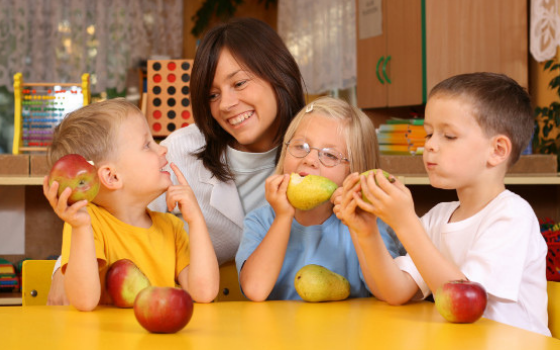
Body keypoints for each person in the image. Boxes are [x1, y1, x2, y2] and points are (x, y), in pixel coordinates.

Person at [48, 17, 305, 305]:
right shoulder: (181, 152)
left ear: (278, 72)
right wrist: (63, 272)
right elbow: (120, 210)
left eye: (240, 83)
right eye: (212, 94)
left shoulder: (324, 143)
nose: (226, 104)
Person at [334, 72, 550, 336]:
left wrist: (405, 223)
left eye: (448, 136)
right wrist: (364, 231)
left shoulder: (511, 215)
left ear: (497, 151)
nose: (431, 146)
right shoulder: (438, 217)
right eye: (428, 134)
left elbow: (465, 307)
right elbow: (395, 291)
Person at [43, 98, 219, 311]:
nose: (162, 149)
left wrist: (197, 220)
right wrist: (80, 229)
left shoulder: (172, 228)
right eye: (147, 145)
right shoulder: (88, 225)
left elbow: (205, 292)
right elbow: (84, 302)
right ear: (112, 176)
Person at [235, 96, 405, 301]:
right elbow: (255, 289)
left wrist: (359, 225)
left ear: (355, 172)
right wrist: (283, 217)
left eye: (330, 155)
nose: (310, 160)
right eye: (300, 147)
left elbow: (388, 292)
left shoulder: (369, 225)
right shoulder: (260, 222)